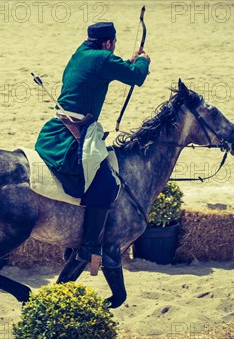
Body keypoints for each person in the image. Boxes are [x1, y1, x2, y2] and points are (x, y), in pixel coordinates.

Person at [35, 22, 150, 268]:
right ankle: (88, 247)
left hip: (57, 129)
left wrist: (126, 62)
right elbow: (137, 77)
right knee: (106, 184)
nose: (114, 47)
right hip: (71, 136)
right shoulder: (104, 59)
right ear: (108, 43)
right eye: (114, 43)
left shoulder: (81, 53)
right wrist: (143, 60)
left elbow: (110, 68)